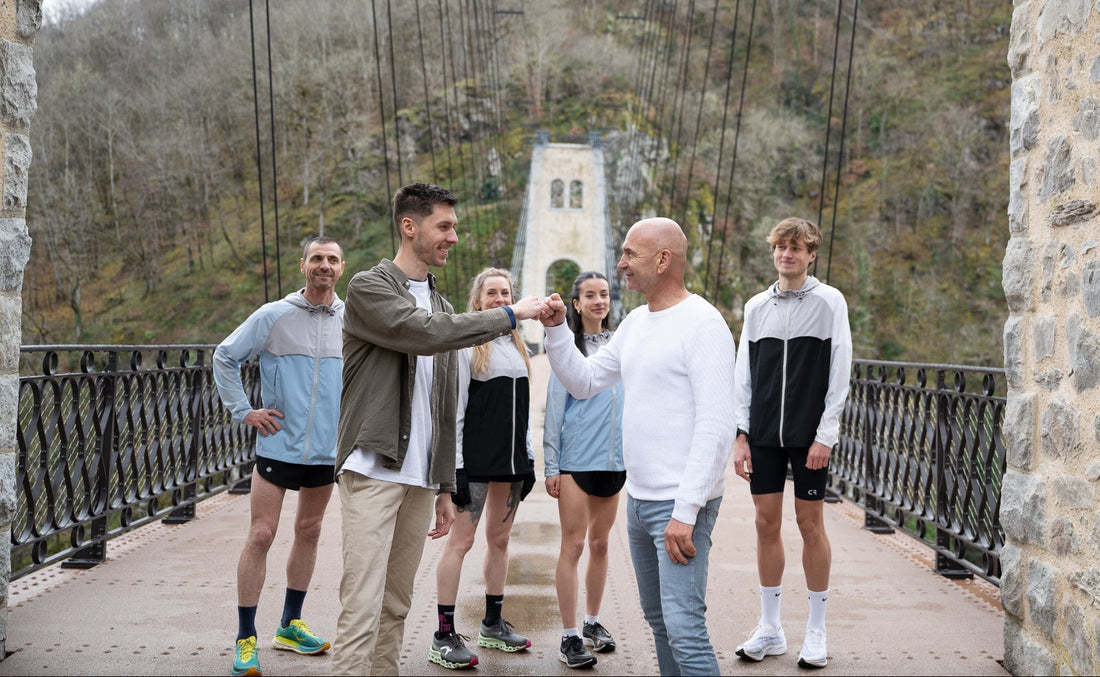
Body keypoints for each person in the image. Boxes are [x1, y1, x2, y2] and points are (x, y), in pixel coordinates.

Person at [330, 183, 547, 676]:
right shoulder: (369, 287)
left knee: (394, 608)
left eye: (453, 226)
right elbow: (422, 335)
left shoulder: (446, 305)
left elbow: (446, 404)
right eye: (443, 226)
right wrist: (511, 314)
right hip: (374, 468)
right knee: (361, 606)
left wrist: (446, 486)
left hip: (420, 478)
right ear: (410, 227)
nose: (454, 236)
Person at [540, 217, 737, 676]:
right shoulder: (635, 323)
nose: (621, 264)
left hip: (678, 504)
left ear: (663, 259)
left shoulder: (703, 323)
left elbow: (716, 424)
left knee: (685, 626)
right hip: (640, 499)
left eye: (630, 254)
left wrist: (686, 510)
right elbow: (585, 381)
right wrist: (556, 332)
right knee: (660, 622)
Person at [213, 236, 347, 677]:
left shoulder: (353, 320)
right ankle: (245, 638)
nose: (323, 266)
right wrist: (243, 410)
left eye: (331, 259)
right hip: (277, 444)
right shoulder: (274, 315)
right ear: (302, 265)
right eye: (316, 259)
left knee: (309, 530)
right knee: (261, 535)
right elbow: (225, 356)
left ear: (341, 267)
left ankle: (290, 626)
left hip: (328, 451)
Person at [731, 217, 853, 670]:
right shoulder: (756, 306)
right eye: (781, 247)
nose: (787, 254)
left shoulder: (829, 302)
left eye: (796, 248)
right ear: (774, 252)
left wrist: (826, 434)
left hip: (808, 437)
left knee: (810, 525)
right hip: (763, 435)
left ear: (811, 254)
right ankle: (771, 628)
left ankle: (816, 631)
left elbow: (840, 368)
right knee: (765, 523)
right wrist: (740, 435)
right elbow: (743, 372)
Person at [431, 267, 537, 670]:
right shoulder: (466, 348)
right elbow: (454, 414)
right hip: (473, 461)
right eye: (491, 293)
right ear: (477, 301)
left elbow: (523, 414)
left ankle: (492, 623)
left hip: (510, 462)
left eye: (505, 293)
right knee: (461, 543)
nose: (499, 299)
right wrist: (453, 469)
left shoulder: (518, 346)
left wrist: (527, 459)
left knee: (501, 540)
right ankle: (443, 633)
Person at [542, 271, 626, 670]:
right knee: (573, 546)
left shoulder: (623, 343)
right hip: (576, 461)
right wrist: (552, 465)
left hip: (615, 461)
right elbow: (555, 409)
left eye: (604, 294)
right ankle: (569, 635)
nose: (598, 301)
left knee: (601, 544)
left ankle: (593, 623)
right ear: (576, 303)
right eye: (589, 295)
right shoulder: (567, 347)